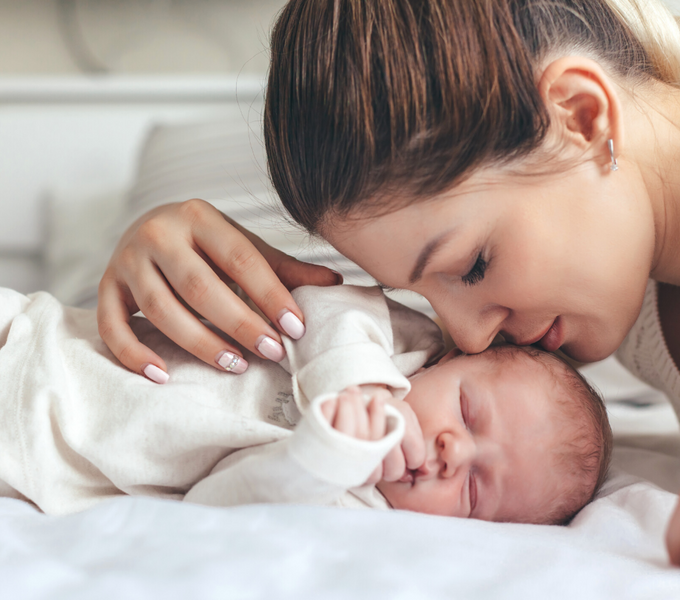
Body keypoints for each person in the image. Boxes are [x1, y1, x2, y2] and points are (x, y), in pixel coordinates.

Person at [94, 0, 680, 562]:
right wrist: (170, 246)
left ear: (580, 114)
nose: (470, 341)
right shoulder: (617, 277)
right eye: (420, 295)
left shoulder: (597, 270)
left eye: (474, 264)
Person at [0, 270, 609, 524]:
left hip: (16, 463)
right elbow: (320, 303)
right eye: (469, 414)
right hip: (25, 338)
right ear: (452, 359)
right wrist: (356, 379)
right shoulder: (394, 342)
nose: (454, 453)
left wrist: (324, 458)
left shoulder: (347, 505)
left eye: (478, 491)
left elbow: (220, 507)